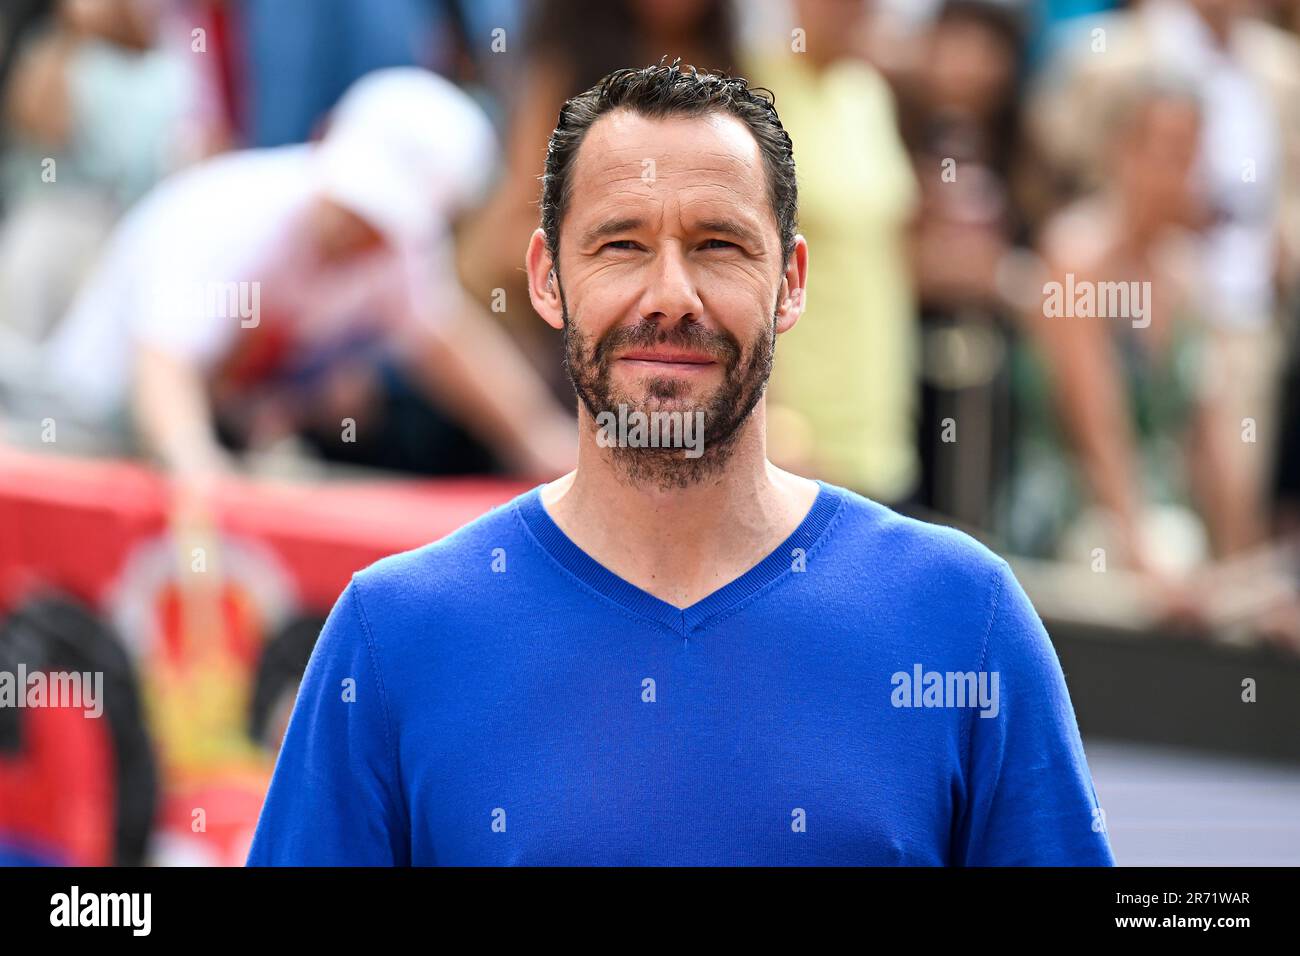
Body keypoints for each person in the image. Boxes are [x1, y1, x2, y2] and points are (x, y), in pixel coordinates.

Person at [247, 61, 1115, 866]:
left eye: (719, 246)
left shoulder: (962, 616)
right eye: (621, 245)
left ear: (792, 282)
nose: (670, 296)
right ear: (548, 279)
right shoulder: (395, 634)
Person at [36, 67, 575, 481]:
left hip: (197, 450)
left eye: (378, 225)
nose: (355, 236)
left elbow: (448, 346)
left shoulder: (395, 254)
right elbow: (162, 367)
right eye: (352, 210)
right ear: (322, 143)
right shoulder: (231, 214)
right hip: (86, 435)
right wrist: (203, 476)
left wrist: (541, 441)